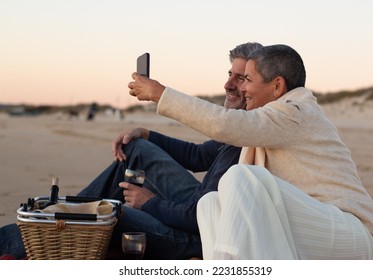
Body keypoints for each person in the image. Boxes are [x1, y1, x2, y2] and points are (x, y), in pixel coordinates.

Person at [0, 42, 263, 260]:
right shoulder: (242, 127)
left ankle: (45, 228)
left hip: (197, 235)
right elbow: (198, 156)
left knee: (109, 212)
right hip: (197, 206)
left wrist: (149, 202)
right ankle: (61, 214)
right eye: (229, 74)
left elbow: (202, 218)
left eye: (241, 78)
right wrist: (146, 133)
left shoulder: (252, 131)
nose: (228, 85)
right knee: (136, 147)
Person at [127, 44, 373, 259]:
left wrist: (160, 94)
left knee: (239, 177)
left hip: (349, 234)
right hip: (304, 229)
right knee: (210, 203)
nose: (242, 88)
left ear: (277, 86)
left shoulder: (294, 112)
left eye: (247, 80)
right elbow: (205, 150)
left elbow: (225, 123)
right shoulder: (265, 125)